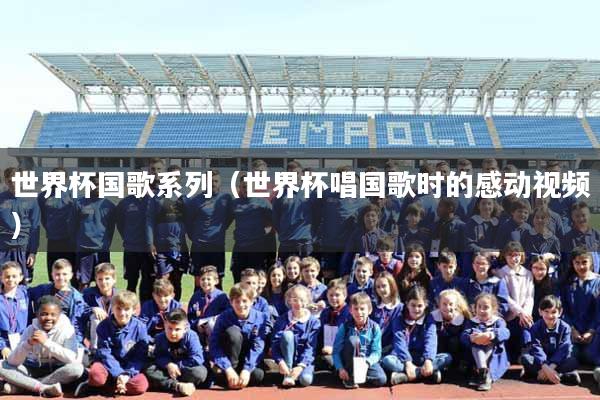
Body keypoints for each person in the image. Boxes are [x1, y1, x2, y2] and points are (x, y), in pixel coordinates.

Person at [0, 295, 83, 396]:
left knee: (76, 369)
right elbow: (12, 361)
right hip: (31, 368)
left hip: (57, 370)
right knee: (1, 365)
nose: (48, 318)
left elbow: (72, 359)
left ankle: (26, 386)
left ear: (59, 315)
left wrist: (46, 343)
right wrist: (28, 344)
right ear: (37, 314)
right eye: (44, 314)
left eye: (53, 315)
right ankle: (43, 387)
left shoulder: (67, 329)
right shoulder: (30, 329)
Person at [84, 291, 149, 396]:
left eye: (127, 309)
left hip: (128, 366)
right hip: (107, 364)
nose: (122, 313)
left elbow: (140, 356)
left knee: (140, 385)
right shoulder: (103, 326)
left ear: (134, 310)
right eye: (118, 308)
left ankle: (114, 384)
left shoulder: (140, 327)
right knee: (96, 376)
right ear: (112, 308)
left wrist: (127, 374)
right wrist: (118, 373)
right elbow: (105, 353)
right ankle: (115, 382)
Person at [382, 286, 451, 385]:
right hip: (403, 358)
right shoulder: (399, 319)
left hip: (422, 357)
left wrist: (428, 360)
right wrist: (407, 362)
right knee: (387, 361)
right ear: (407, 304)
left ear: (425, 305)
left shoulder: (429, 319)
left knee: (447, 357)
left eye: (420, 306)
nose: (416, 309)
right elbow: (399, 342)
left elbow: (431, 339)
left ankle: (405, 376)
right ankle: (427, 374)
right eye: (413, 305)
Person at [209, 283, 268, 389]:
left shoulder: (261, 318)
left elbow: (258, 346)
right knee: (233, 333)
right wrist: (228, 368)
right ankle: (230, 374)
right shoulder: (223, 317)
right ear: (231, 302)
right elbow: (214, 344)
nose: (241, 305)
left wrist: (247, 369)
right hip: (229, 359)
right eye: (237, 301)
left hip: (246, 358)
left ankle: (236, 378)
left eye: (245, 301)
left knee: (258, 375)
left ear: (252, 301)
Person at [145, 308, 208, 396]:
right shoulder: (160, 338)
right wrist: (168, 364)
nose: (173, 333)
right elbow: (158, 357)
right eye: (170, 328)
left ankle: (166, 383)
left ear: (185, 328)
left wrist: (177, 366)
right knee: (148, 368)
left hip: (184, 369)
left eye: (177, 329)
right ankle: (176, 385)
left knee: (200, 372)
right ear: (165, 325)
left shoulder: (191, 336)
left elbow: (198, 358)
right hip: (167, 370)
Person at [520, 295, 580, 385]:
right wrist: (545, 366)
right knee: (525, 358)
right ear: (540, 312)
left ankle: (541, 375)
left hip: (557, 361)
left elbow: (564, 348)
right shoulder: (535, 327)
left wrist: (550, 368)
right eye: (546, 312)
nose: (550, 315)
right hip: (541, 361)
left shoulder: (565, 327)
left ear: (560, 312)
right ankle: (559, 375)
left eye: (554, 312)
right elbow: (536, 348)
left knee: (573, 361)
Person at [332, 292, 387, 388]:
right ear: (351, 310)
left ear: (369, 310)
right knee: (354, 340)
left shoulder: (375, 328)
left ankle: (357, 378)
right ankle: (349, 376)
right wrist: (340, 368)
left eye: (362, 309)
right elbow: (336, 351)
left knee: (381, 379)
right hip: (349, 361)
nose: (359, 312)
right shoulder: (345, 327)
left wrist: (367, 362)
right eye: (356, 309)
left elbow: (376, 352)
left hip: (365, 361)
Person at [271, 285, 320, 387]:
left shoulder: (314, 322)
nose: (298, 303)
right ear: (289, 301)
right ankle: (287, 374)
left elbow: (310, 347)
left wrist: (301, 366)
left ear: (307, 301)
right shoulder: (282, 319)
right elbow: (275, 344)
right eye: (295, 300)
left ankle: (298, 373)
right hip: (286, 361)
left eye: (302, 300)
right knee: (287, 335)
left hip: (304, 361)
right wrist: (280, 361)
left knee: (305, 380)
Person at [461, 293, 510, 391]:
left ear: (493, 309)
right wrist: (471, 338)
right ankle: (483, 372)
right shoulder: (472, 322)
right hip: (474, 356)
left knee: (490, 344)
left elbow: (505, 332)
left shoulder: (498, 321)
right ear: (475, 308)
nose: (482, 310)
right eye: (479, 307)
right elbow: (463, 336)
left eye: (486, 307)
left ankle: (483, 374)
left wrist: (490, 335)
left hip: (493, 353)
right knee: (476, 345)